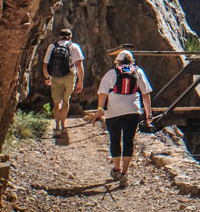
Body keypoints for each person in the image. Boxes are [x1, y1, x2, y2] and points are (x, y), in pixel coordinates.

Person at [93, 50, 153, 187]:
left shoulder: (111, 73)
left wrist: (100, 111)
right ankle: (125, 175)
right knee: (128, 140)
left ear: (117, 62)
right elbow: (145, 94)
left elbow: (102, 94)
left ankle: (116, 169)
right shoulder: (138, 72)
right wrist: (148, 115)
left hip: (113, 112)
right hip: (133, 111)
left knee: (114, 140)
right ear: (132, 61)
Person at [42, 28, 84, 136]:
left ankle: (57, 127)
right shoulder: (74, 47)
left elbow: (45, 65)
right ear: (70, 37)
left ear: (60, 37)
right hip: (70, 76)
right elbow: (79, 66)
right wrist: (80, 82)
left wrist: (47, 78)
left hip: (56, 77)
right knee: (66, 100)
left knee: (57, 102)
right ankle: (64, 126)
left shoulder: (52, 47)